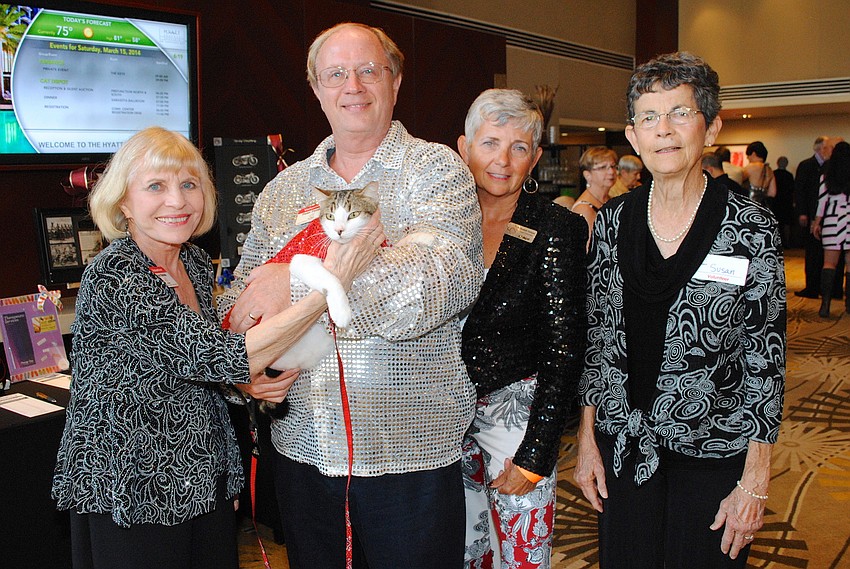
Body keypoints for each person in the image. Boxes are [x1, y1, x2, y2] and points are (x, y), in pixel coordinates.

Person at [51, 127, 383, 569]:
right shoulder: (116, 275)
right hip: (131, 488)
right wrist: (328, 287)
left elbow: (193, 366)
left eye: (189, 185)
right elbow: (226, 355)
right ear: (124, 203)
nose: (177, 200)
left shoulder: (189, 261)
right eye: (156, 186)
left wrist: (245, 390)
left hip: (200, 475)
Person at [216, 23, 484, 569]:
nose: (353, 87)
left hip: (409, 453)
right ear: (316, 89)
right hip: (302, 453)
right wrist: (247, 366)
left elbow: (435, 284)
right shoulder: (283, 190)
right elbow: (241, 295)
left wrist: (293, 279)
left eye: (368, 70)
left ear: (396, 81)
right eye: (335, 74)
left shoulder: (434, 171)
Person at [574, 52, 786, 569]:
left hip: (714, 450)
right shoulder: (613, 221)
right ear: (633, 135)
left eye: (679, 114)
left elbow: (766, 358)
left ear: (710, 127)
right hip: (624, 445)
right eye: (649, 117)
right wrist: (586, 441)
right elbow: (598, 340)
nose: (663, 131)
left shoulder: (750, 226)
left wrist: (755, 480)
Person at [456, 89, 587, 568]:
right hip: (439, 420)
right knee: (463, 553)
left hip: (517, 421)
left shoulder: (557, 228)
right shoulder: (438, 224)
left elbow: (565, 346)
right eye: (490, 143)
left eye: (519, 148)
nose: (502, 160)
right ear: (463, 147)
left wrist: (537, 452)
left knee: (522, 558)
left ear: (534, 158)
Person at [813, 140, 850, 317]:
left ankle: (825, 304)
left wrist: (817, 222)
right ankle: (849, 304)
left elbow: (822, 202)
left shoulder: (826, 175)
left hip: (832, 220)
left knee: (829, 263)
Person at [794, 136, 832, 298]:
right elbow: (800, 190)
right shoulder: (806, 165)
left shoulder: (829, 166)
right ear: (819, 149)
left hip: (826, 216)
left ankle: (823, 288)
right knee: (812, 253)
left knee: (825, 253)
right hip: (810, 213)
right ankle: (811, 287)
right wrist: (802, 212)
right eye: (826, 147)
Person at [571, 146, 618, 248]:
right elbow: (589, 251)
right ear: (587, 175)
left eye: (613, 166)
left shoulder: (610, 199)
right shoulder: (584, 208)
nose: (611, 172)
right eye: (602, 167)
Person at [741, 141, 776, 206]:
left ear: (753, 154)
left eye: (748, 155)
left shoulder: (750, 167)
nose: (747, 158)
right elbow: (772, 193)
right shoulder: (769, 170)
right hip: (763, 207)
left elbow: (738, 182)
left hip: (749, 205)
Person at [772, 156, 796, 248]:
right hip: (787, 202)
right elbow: (792, 189)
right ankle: (787, 242)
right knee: (787, 224)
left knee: (776, 223)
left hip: (776, 202)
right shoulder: (789, 175)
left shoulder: (774, 174)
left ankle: (776, 242)